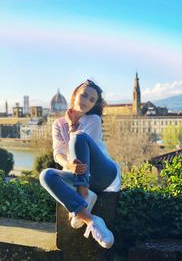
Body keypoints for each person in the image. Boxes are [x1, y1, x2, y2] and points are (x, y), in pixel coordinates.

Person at [39, 79, 121, 249]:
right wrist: (69, 166)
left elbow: (79, 142)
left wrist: (71, 125)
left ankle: (83, 194)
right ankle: (91, 219)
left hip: (103, 174)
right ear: (75, 94)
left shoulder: (94, 120)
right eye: (84, 95)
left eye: (92, 100)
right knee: (46, 175)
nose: (87, 101)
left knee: (78, 137)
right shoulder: (57, 124)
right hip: (79, 174)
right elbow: (58, 154)